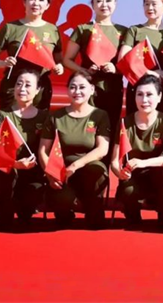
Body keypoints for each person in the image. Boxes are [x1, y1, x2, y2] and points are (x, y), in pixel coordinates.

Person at [38, 70, 110, 228]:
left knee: (97, 170)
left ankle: (93, 209)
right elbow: (43, 151)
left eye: (82, 87)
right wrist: (50, 174)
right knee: (62, 204)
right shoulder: (55, 116)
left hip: (87, 168)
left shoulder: (100, 115)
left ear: (92, 89)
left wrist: (76, 165)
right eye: (73, 87)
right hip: (61, 171)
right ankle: (65, 209)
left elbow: (102, 149)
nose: (77, 91)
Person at [111, 74, 163, 229]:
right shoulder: (125, 123)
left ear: (159, 97)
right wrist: (119, 173)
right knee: (128, 189)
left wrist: (144, 163)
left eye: (149, 95)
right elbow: (114, 161)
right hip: (134, 174)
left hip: (157, 174)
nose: (144, 100)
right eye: (140, 94)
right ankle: (133, 216)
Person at [63, 0, 127, 151]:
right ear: (92, 4)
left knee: (110, 129)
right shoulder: (83, 29)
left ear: (115, 3)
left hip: (113, 89)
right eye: (99, 1)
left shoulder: (124, 31)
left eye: (108, 0)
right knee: (88, 129)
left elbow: (130, 63)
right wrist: (83, 71)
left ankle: (106, 165)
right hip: (88, 89)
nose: (104, 5)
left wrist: (116, 68)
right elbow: (67, 60)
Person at [0, 68, 48, 230]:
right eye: (19, 84)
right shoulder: (2, 115)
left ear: (38, 90)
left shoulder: (45, 117)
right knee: (6, 178)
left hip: (32, 171)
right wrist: (16, 164)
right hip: (3, 169)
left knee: (28, 207)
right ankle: (4, 211)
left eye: (28, 85)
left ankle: (22, 206)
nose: (22, 88)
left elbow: (48, 149)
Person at [0, 0, 65, 110]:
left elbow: (58, 59)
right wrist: (3, 63)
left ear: (47, 5)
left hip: (41, 89)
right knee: (10, 122)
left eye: (41, 0)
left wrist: (59, 67)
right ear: (24, 2)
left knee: (39, 122)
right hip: (14, 87)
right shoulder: (11, 28)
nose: (36, 3)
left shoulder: (53, 30)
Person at [118, 0, 163, 117]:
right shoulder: (135, 30)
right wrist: (150, 73)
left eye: (154, 4)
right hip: (138, 88)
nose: (150, 8)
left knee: (161, 126)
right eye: (146, 4)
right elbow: (122, 59)